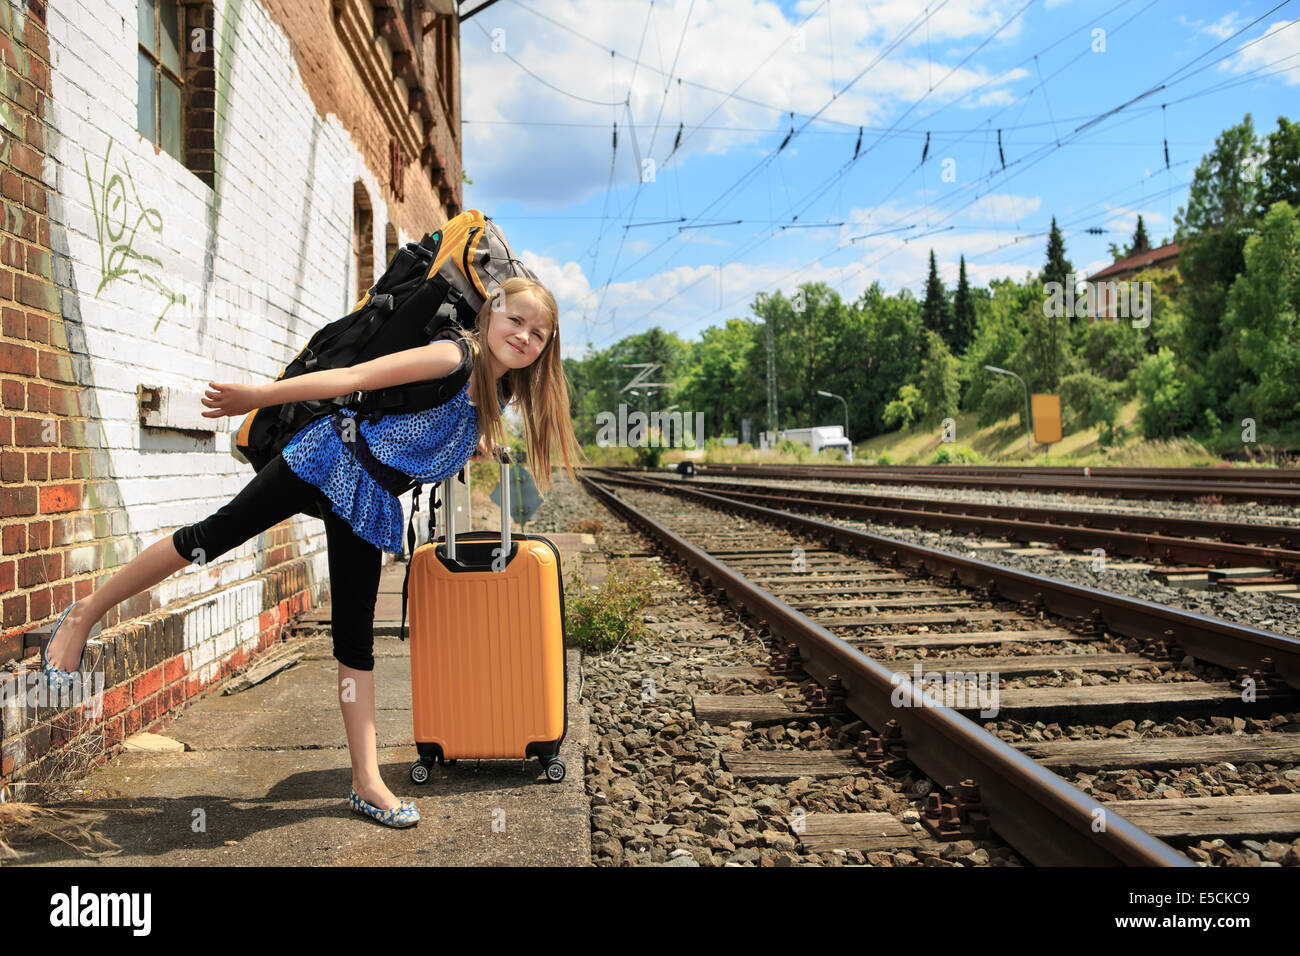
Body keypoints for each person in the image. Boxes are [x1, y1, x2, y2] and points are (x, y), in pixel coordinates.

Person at [40, 275, 584, 828]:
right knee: (211, 538)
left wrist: (476, 440)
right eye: (515, 320)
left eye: (537, 333)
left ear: (546, 348)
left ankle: (366, 781)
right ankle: (85, 615)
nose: (523, 336)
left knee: (355, 636)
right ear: (491, 312)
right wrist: (255, 397)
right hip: (328, 456)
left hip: (368, 499)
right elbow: (352, 378)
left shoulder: (496, 395)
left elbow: (427, 426)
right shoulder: (451, 357)